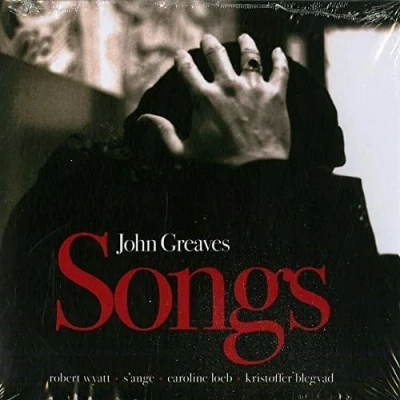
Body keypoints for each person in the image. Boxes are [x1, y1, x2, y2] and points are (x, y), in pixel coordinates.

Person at [0, 34, 396, 399]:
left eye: (308, 205)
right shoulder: (75, 248)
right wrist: (256, 186)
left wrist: (258, 180)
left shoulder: (377, 293)